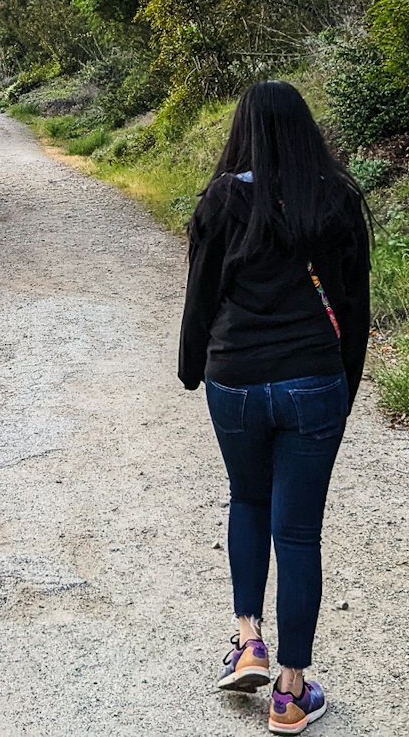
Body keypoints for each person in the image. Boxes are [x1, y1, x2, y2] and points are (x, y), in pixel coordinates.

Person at [180, 81, 369, 733]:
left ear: (244, 129)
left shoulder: (222, 199)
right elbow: (353, 308)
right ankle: (289, 694)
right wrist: (342, 389)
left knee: (247, 501)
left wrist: (190, 367)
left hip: (235, 379)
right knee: (298, 533)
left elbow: (201, 298)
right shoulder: (338, 199)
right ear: (305, 129)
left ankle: (248, 639)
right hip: (314, 383)